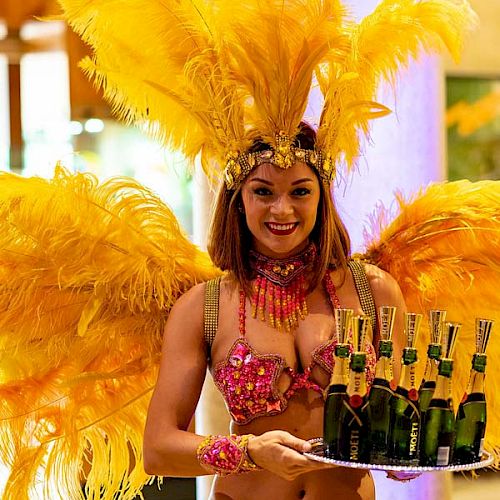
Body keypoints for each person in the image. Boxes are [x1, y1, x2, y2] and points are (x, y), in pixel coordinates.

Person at [143, 122, 408, 499]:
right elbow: (157, 450)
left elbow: (403, 426)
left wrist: (409, 454)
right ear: (239, 198)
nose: (282, 209)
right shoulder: (203, 306)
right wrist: (249, 452)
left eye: (300, 191)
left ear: (321, 197)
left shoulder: (374, 291)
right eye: (263, 191)